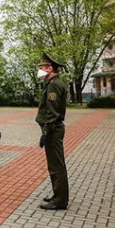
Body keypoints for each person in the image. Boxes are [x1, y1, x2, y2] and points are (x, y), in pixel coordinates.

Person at [36, 53, 69, 211]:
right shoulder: (54, 83)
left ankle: (60, 200)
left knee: (56, 166)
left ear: (49, 68)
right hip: (53, 129)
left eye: (42, 67)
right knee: (55, 165)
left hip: (53, 129)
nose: (40, 70)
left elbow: (52, 112)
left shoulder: (54, 85)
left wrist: (45, 132)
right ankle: (58, 195)